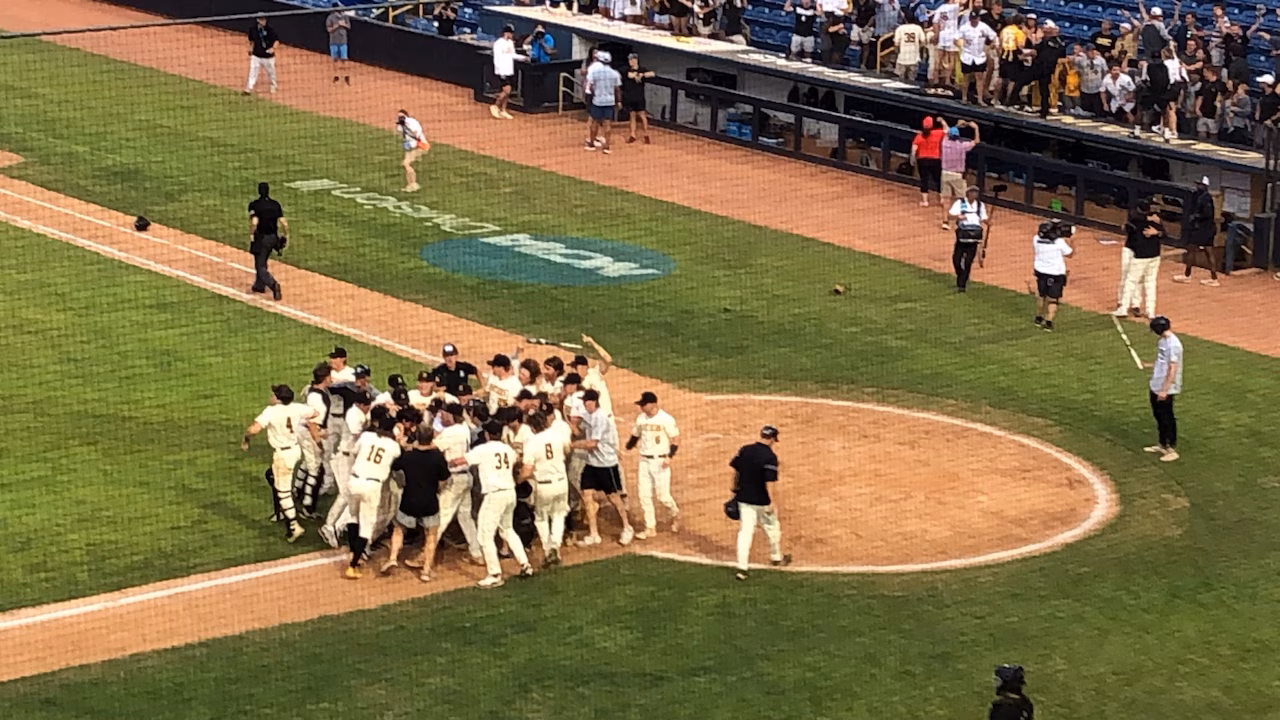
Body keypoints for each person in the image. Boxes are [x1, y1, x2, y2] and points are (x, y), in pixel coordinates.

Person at [453, 421, 534, 588]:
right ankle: (525, 565)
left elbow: (461, 461)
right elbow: (518, 459)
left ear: (487, 434)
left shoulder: (483, 449)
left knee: (484, 535)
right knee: (508, 530)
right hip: (509, 492)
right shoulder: (507, 449)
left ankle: (494, 574)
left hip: (495, 495)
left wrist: (448, 460)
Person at [242, 384, 315, 543]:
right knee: (277, 480)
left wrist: (246, 439)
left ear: (278, 398)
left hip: (283, 455)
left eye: (273, 394)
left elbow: (254, 429)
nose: (271, 396)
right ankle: (291, 516)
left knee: (283, 492)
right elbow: (315, 413)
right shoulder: (297, 408)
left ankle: (294, 526)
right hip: (296, 450)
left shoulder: (271, 411)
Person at [381, 426, 450, 580]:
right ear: (432, 438)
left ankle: (392, 558)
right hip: (429, 501)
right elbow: (444, 479)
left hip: (409, 498)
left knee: (398, 529)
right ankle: (426, 570)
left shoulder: (408, 455)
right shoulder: (437, 456)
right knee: (431, 535)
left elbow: (395, 467)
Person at [342, 413, 401, 579]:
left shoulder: (366, 436)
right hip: (372, 485)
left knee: (353, 517)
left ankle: (355, 552)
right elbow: (397, 456)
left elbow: (354, 451)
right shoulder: (393, 446)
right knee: (366, 526)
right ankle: (353, 565)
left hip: (354, 480)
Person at [572, 389, 634, 546]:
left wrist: (573, 445)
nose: (585, 405)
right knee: (587, 495)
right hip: (592, 464)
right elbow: (577, 423)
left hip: (606, 464)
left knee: (613, 497)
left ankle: (627, 527)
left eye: (586, 402)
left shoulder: (600, 418)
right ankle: (594, 534)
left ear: (593, 402)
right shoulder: (589, 415)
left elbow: (593, 444)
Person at [730, 425, 790, 581]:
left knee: (745, 532)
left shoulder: (745, 450)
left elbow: (736, 471)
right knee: (772, 527)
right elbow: (769, 482)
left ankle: (742, 568)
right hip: (762, 500)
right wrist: (771, 501)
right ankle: (776, 557)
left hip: (744, 498)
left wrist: (735, 491)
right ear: (772, 439)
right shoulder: (770, 457)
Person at [625, 391, 681, 538]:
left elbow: (675, 439)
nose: (641, 407)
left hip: (660, 461)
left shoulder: (666, 419)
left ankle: (675, 514)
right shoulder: (641, 419)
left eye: (644, 404)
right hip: (644, 460)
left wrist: (670, 457)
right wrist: (627, 447)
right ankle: (650, 527)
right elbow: (635, 436)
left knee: (663, 496)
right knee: (644, 495)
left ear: (653, 404)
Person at [319, 390, 370, 549]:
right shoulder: (353, 414)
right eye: (366, 405)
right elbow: (358, 435)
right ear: (359, 404)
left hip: (352, 458)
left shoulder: (362, 413)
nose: (368, 407)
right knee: (346, 493)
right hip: (344, 457)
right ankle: (329, 526)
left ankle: (338, 525)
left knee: (351, 494)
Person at [520, 411, 572, 566]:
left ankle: (548, 550)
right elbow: (568, 450)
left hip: (544, 485)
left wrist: (518, 480)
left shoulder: (532, 443)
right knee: (559, 515)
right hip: (562, 482)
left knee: (541, 518)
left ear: (532, 427)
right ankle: (556, 545)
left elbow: (527, 471)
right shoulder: (557, 435)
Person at [1114, 200, 1163, 319]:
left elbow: (1127, 226)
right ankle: (1150, 311)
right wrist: (1157, 227)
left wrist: (1157, 229)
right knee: (1150, 283)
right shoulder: (1155, 221)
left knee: (1131, 281)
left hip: (1141, 256)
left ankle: (1124, 308)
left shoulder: (1136, 221)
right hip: (1154, 255)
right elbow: (1165, 233)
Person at [1142, 315, 1182, 463]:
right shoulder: (1163, 341)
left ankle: (1171, 448)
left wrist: (1165, 390)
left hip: (1166, 387)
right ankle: (1162, 444)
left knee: (1166, 417)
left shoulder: (1174, 345)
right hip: (1156, 383)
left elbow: (1172, 369)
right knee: (1158, 416)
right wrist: (1149, 365)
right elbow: (1162, 362)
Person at [1173, 176, 1219, 286]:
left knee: (1192, 249)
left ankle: (1187, 276)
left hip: (1203, 229)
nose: (1197, 186)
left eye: (1200, 184)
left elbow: (1207, 214)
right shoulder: (1201, 196)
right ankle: (1213, 278)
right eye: (1197, 184)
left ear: (1205, 186)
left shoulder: (1205, 198)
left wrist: (1195, 217)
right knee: (1207, 252)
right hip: (1206, 229)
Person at [247, 182, 287, 301]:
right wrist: (285, 235)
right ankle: (259, 285)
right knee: (262, 259)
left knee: (260, 265)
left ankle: (273, 284)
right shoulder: (275, 205)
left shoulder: (255, 205)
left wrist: (251, 234)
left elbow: (254, 222)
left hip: (262, 238)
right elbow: (284, 223)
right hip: (273, 238)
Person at [1032, 220, 1074, 332]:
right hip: (1055, 274)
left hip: (1040, 272)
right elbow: (1070, 254)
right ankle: (1048, 323)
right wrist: (1071, 239)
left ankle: (1038, 318)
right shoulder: (1059, 242)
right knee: (1053, 299)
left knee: (1042, 296)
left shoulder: (1035, 239)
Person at [948, 184, 989, 292]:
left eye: (975, 193)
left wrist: (988, 222)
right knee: (956, 259)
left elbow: (984, 218)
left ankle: (962, 285)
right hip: (962, 236)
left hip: (974, 238)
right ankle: (961, 275)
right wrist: (958, 217)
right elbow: (950, 215)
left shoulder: (980, 205)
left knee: (968, 262)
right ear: (967, 194)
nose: (974, 195)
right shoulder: (960, 203)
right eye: (972, 192)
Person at [939, 120, 979, 230]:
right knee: (962, 198)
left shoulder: (944, 142)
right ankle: (962, 218)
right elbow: (976, 141)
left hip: (945, 173)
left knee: (946, 198)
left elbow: (947, 132)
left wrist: (957, 125)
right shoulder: (961, 146)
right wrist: (975, 128)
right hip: (957, 175)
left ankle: (945, 221)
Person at [584, 50, 622, 154]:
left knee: (595, 122)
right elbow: (617, 89)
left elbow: (590, 86)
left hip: (598, 101)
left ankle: (591, 143)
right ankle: (607, 147)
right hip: (610, 102)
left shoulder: (595, 72)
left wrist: (594, 93)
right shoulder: (615, 73)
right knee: (607, 123)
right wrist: (618, 101)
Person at [957, 12, 997, 103]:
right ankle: (964, 98)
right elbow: (956, 38)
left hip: (979, 56)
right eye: (972, 19)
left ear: (978, 18)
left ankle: (980, 99)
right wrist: (960, 45)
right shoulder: (964, 27)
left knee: (979, 77)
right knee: (966, 77)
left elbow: (993, 36)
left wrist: (991, 45)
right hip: (967, 55)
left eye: (975, 19)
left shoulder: (984, 27)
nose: (974, 21)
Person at [910, 116, 944, 208]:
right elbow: (947, 130)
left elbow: (914, 150)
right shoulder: (937, 133)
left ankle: (925, 202)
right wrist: (942, 121)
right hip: (935, 160)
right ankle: (942, 200)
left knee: (924, 180)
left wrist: (912, 160)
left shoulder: (919, 136)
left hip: (922, 160)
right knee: (938, 180)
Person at [622, 53, 655, 144]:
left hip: (639, 97)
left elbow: (652, 73)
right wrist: (637, 75)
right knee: (632, 115)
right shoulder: (627, 70)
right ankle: (633, 135)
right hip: (630, 97)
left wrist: (642, 75)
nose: (630, 62)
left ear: (635, 60)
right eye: (629, 60)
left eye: (632, 60)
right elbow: (629, 75)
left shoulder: (642, 69)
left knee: (642, 115)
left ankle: (646, 134)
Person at [244, 14, 280, 96]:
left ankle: (273, 85)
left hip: (268, 56)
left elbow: (276, 41)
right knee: (253, 71)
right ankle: (249, 88)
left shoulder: (270, 29)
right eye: (262, 19)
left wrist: (273, 49)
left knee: (271, 72)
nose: (263, 21)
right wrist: (251, 48)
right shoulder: (252, 29)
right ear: (258, 20)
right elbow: (252, 40)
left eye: (264, 19)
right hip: (256, 55)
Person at [396, 109, 430, 193]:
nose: (400, 118)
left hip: (420, 146)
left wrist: (412, 144)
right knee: (405, 164)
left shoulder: (412, 122)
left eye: (402, 116)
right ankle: (410, 184)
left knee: (406, 163)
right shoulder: (400, 126)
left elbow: (416, 133)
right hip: (410, 147)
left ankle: (413, 185)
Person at [490, 25, 519, 120]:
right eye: (511, 33)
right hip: (501, 71)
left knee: (507, 92)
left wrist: (524, 58)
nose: (512, 35)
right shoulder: (498, 43)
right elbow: (496, 58)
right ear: (506, 33)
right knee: (507, 90)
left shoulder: (510, 43)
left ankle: (503, 110)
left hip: (509, 70)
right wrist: (499, 70)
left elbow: (513, 55)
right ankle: (495, 105)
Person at [1076, 44, 1108, 116]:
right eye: (1090, 51)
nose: (1092, 52)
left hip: (1097, 88)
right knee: (1086, 110)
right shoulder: (1081, 60)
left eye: (1093, 50)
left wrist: (1103, 84)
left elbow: (1105, 72)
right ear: (1086, 52)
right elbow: (1077, 70)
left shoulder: (1101, 60)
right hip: (1085, 87)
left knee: (1097, 110)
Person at [893, 15, 926, 81]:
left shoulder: (900, 28)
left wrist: (896, 53)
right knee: (912, 78)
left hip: (902, 56)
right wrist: (918, 48)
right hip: (914, 56)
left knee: (901, 78)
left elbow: (896, 43)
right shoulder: (918, 28)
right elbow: (923, 41)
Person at [325, 3, 351, 85]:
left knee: (344, 59)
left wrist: (343, 24)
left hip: (343, 41)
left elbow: (349, 26)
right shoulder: (330, 18)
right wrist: (336, 26)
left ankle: (346, 76)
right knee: (335, 59)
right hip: (333, 41)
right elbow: (329, 29)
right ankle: (336, 76)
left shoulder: (345, 17)